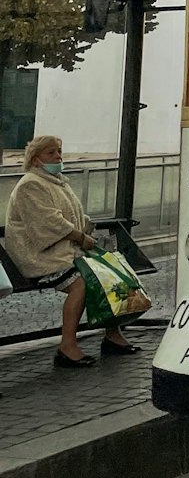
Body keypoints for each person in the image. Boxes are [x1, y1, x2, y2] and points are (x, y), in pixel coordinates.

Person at [4, 136, 135, 367]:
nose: (58, 157)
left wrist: (87, 231)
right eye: (51, 153)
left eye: (59, 152)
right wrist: (81, 237)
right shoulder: (31, 184)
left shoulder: (56, 182)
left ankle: (113, 335)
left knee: (106, 277)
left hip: (63, 249)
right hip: (41, 255)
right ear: (35, 160)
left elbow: (71, 216)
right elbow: (49, 222)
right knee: (81, 284)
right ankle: (67, 345)